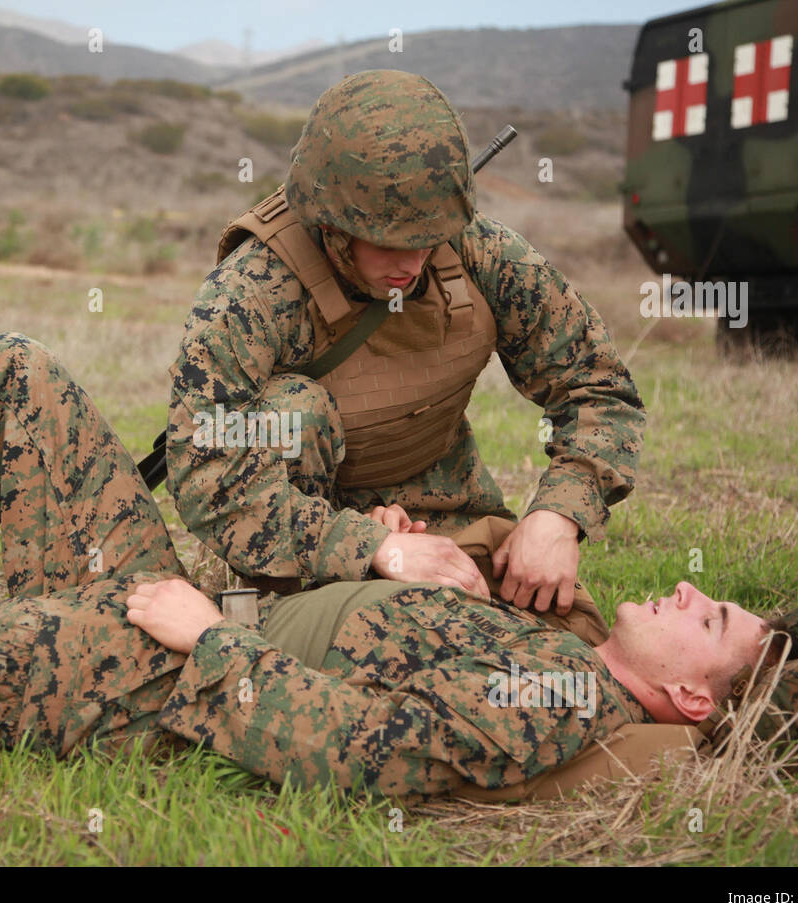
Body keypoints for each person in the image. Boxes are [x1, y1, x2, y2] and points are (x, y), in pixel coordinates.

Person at [0, 336, 798, 798]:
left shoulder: (565, 704)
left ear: (690, 701)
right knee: (12, 374)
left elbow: (348, 757)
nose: (697, 593)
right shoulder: (569, 639)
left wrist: (202, 634)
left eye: (715, 623)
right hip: (162, 601)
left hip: (134, 674)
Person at [162, 69, 647, 614]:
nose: (413, 264)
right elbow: (210, 479)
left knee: (573, 665)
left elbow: (596, 383)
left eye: (428, 239)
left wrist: (560, 514)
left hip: (452, 520)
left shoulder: (476, 251)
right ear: (331, 224)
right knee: (293, 412)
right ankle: (291, 616)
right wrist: (372, 547)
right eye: (389, 243)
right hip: (314, 553)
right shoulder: (250, 294)